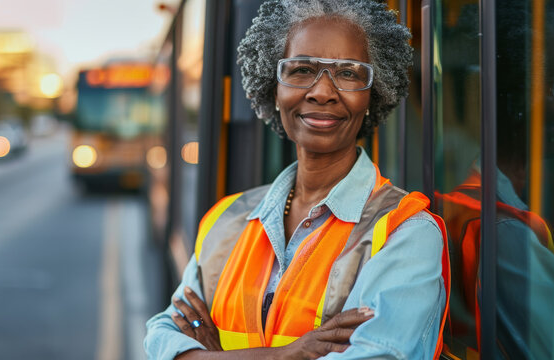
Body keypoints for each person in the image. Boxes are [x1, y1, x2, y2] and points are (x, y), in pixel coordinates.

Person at [145, 0, 449, 359]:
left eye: (349, 73)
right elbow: (161, 338)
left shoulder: (406, 234)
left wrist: (212, 355)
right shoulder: (225, 220)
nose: (322, 91)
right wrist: (282, 354)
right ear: (274, 89)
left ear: (373, 93)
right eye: (302, 69)